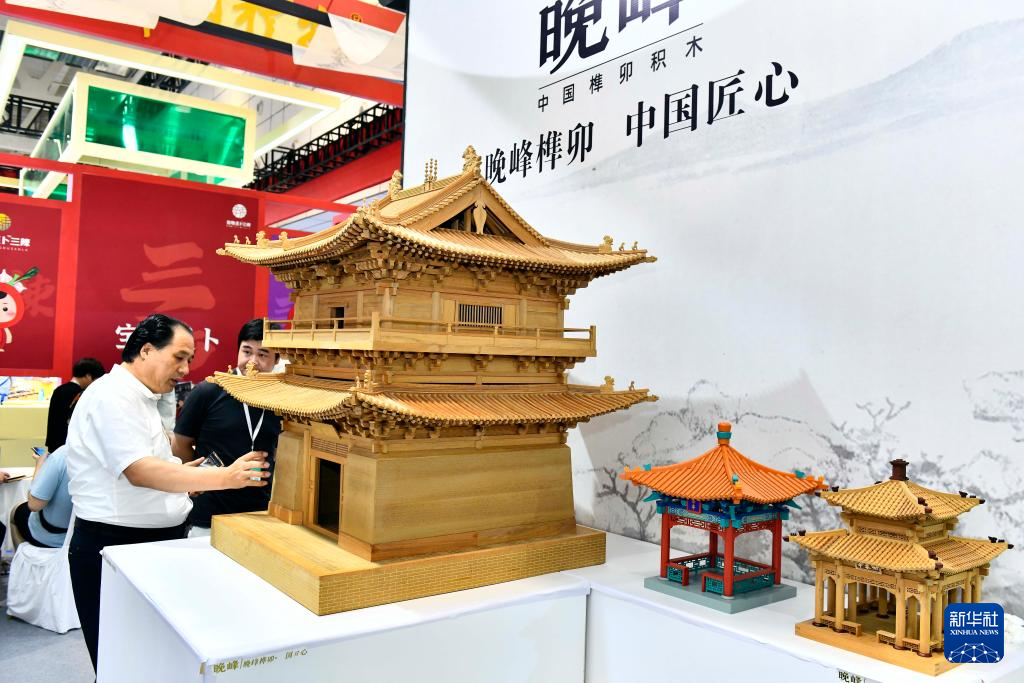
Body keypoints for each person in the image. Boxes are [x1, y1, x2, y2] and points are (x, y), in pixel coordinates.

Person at [66, 313, 269, 674]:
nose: (185, 369)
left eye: (189, 359)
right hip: (116, 543)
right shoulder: (112, 396)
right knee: (122, 662)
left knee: (152, 659)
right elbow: (140, 471)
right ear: (146, 350)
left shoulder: (142, 398)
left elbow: (155, 463)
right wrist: (224, 477)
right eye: (179, 357)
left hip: (151, 541)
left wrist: (187, 478)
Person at [173, 319, 282, 534]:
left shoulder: (282, 400)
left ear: (276, 359)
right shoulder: (208, 391)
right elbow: (180, 444)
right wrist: (197, 481)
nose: (252, 361)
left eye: (262, 354)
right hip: (209, 515)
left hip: (260, 514)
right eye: (247, 352)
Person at [9, 445, 73, 549]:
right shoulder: (99, 456)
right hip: (92, 535)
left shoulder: (60, 457)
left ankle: (22, 558)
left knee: (15, 511)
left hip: (55, 538)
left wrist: (40, 466)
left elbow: (34, 505)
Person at [45, 357, 105, 453]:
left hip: (54, 445)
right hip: (69, 448)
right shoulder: (81, 394)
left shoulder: (59, 390)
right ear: (88, 376)